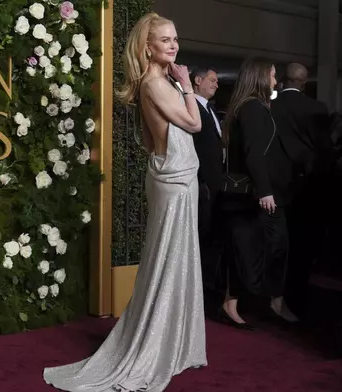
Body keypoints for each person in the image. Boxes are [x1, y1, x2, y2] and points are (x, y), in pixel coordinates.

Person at [43, 12, 207, 392]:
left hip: (173, 177)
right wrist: (186, 85)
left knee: (176, 257)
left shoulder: (153, 83)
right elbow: (195, 124)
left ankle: (175, 345)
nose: (173, 45)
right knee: (169, 258)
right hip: (175, 181)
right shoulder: (158, 84)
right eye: (165, 40)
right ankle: (156, 346)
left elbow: (153, 142)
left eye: (175, 39)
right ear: (147, 46)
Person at [220, 57, 298, 328]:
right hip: (256, 196)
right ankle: (240, 302)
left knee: (260, 247)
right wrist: (265, 191)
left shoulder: (251, 105)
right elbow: (254, 154)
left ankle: (263, 301)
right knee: (256, 248)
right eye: (273, 75)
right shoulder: (252, 107)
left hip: (257, 195)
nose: (276, 81)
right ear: (261, 76)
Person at [271, 63, 331, 317]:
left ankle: (273, 296)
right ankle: (298, 299)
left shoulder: (271, 107)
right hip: (309, 188)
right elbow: (325, 151)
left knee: (276, 245)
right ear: (304, 83)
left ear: (283, 80)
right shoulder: (317, 109)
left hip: (275, 185)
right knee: (303, 247)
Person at [190, 68, 224, 291]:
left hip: (215, 184)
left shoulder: (210, 109)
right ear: (197, 80)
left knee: (211, 235)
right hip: (200, 183)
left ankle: (207, 283)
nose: (217, 85)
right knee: (200, 235)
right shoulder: (190, 106)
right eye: (212, 80)